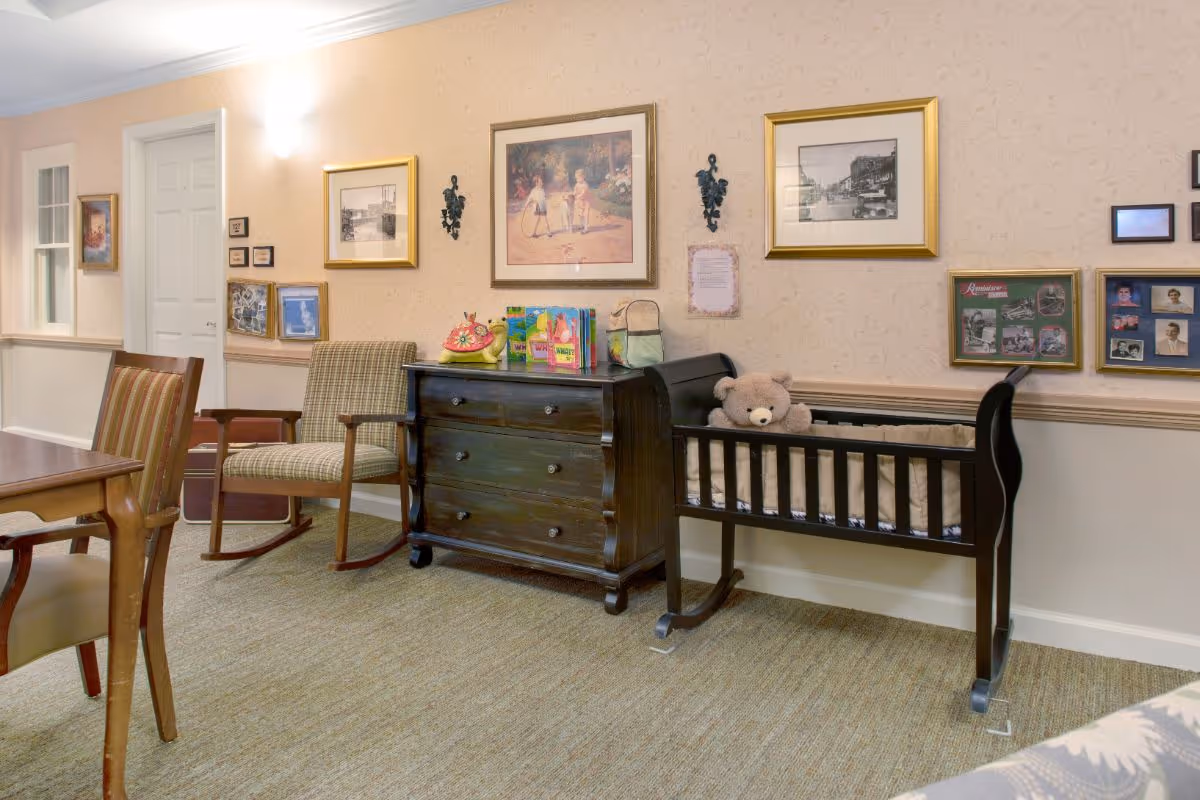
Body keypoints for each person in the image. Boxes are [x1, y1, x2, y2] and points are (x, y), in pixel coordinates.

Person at [572, 168, 592, 234]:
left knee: (585, 215)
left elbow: (583, 193)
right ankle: (581, 225)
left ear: (583, 177)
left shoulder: (585, 185)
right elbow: (575, 191)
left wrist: (579, 196)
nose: (577, 180)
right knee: (580, 214)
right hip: (580, 202)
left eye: (578, 178)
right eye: (576, 178)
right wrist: (573, 194)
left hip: (585, 202)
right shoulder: (577, 184)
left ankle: (586, 228)